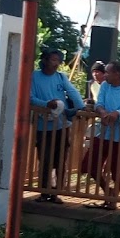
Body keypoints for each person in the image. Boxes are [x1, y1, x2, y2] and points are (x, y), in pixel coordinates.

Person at [30, 47, 84, 202]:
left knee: (60, 159)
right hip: (43, 125)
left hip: (62, 124)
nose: (56, 63)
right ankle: (43, 191)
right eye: (53, 60)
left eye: (58, 61)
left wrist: (80, 107)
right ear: (45, 60)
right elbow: (30, 97)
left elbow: (72, 92)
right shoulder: (34, 76)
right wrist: (46, 104)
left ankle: (56, 192)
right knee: (45, 158)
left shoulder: (61, 77)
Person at [86, 61, 120, 209]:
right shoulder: (104, 86)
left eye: (107, 72)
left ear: (117, 74)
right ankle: (109, 193)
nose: (104, 74)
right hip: (103, 131)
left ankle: (113, 199)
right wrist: (102, 112)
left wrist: (116, 113)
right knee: (90, 164)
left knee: (118, 168)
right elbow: (99, 103)